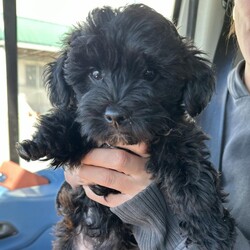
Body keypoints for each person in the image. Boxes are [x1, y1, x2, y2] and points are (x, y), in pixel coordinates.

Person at [64, 0, 250, 249]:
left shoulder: (186, 100)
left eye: (148, 75)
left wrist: (154, 213)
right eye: (97, 76)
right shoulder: (210, 99)